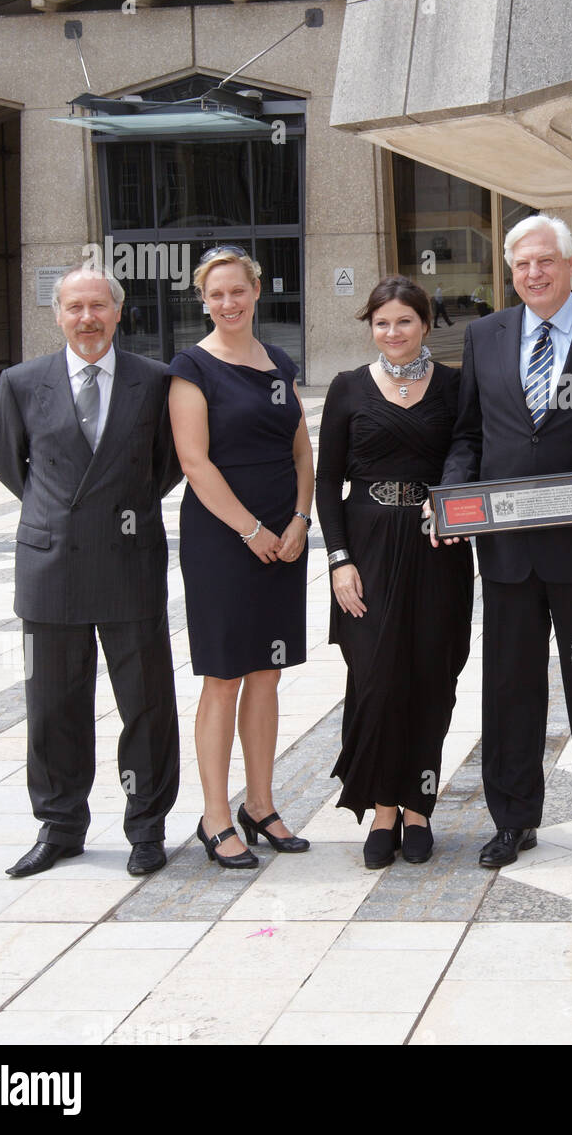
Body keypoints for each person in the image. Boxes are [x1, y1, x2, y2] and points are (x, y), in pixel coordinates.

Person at [437, 214, 572, 870]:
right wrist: (450, 497)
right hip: (504, 553)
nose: (534, 273)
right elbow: (468, 433)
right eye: (523, 264)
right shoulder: (485, 336)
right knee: (509, 689)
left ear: (569, 263)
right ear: (511, 270)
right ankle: (512, 820)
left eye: (546, 262)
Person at [0, 264, 181, 879]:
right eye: (74, 307)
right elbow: (11, 466)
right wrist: (59, 518)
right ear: (57, 314)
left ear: (118, 312)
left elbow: (166, 466)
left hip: (129, 563)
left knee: (146, 706)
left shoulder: (154, 381)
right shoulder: (21, 383)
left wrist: (112, 511)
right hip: (51, 567)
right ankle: (61, 825)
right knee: (54, 707)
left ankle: (146, 828)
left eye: (98, 306)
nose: (87, 319)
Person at [316, 276, 473, 868]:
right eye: (382, 323)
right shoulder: (348, 388)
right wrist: (338, 559)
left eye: (404, 321)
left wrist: (449, 496)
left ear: (426, 325)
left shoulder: (456, 387)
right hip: (367, 550)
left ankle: (418, 807)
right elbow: (327, 480)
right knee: (376, 680)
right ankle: (382, 805)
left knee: (431, 677)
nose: (393, 332)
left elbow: (469, 452)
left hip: (438, 548)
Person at [167, 246, 314, 868]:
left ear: (257, 292)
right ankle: (215, 816)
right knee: (223, 676)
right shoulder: (190, 368)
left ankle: (261, 803)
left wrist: (301, 518)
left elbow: (302, 449)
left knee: (268, 672)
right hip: (224, 542)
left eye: (238, 291)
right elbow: (195, 464)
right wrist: (252, 529)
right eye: (216, 294)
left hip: (284, 540)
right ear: (204, 299)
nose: (228, 303)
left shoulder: (278, 360)